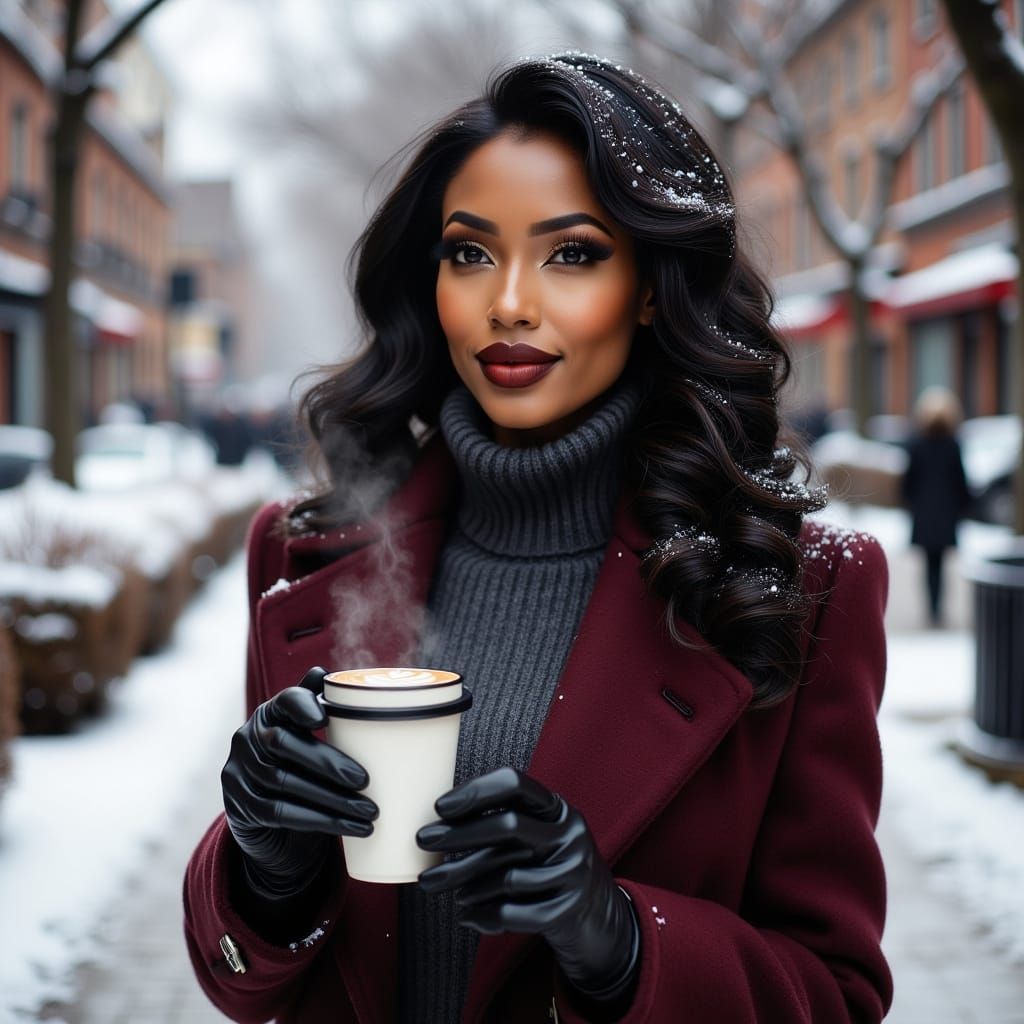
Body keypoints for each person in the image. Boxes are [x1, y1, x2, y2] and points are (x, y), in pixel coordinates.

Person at [183, 53, 892, 1023]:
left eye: (572, 254)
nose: (508, 301)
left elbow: (836, 994)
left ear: (651, 285)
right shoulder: (309, 552)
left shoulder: (801, 584)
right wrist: (261, 870)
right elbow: (245, 984)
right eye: (469, 254)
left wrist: (620, 941)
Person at [901, 387, 971, 627]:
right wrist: (964, 506)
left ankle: (932, 607)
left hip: (924, 512)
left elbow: (908, 481)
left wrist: (909, 503)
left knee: (929, 563)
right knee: (940, 563)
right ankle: (938, 607)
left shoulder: (916, 444)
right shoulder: (953, 445)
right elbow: (960, 480)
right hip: (946, 512)